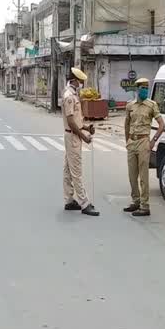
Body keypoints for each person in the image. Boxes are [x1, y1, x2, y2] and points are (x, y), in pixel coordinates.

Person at [123, 78, 165, 217]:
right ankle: (135, 200)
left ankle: (145, 206)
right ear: (137, 89)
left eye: (147, 88)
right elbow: (127, 124)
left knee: (143, 176)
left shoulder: (151, 105)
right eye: (143, 88)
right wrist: (127, 140)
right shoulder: (130, 105)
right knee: (131, 175)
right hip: (132, 142)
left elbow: (161, 125)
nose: (145, 90)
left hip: (144, 142)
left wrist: (153, 141)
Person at [63, 67, 99, 217]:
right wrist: (83, 136)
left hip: (72, 135)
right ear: (74, 81)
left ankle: (69, 199)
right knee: (76, 170)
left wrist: (86, 127)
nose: (82, 84)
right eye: (80, 81)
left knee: (68, 169)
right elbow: (71, 122)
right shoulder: (69, 97)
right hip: (73, 137)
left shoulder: (72, 95)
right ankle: (84, 203)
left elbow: (76, 121)